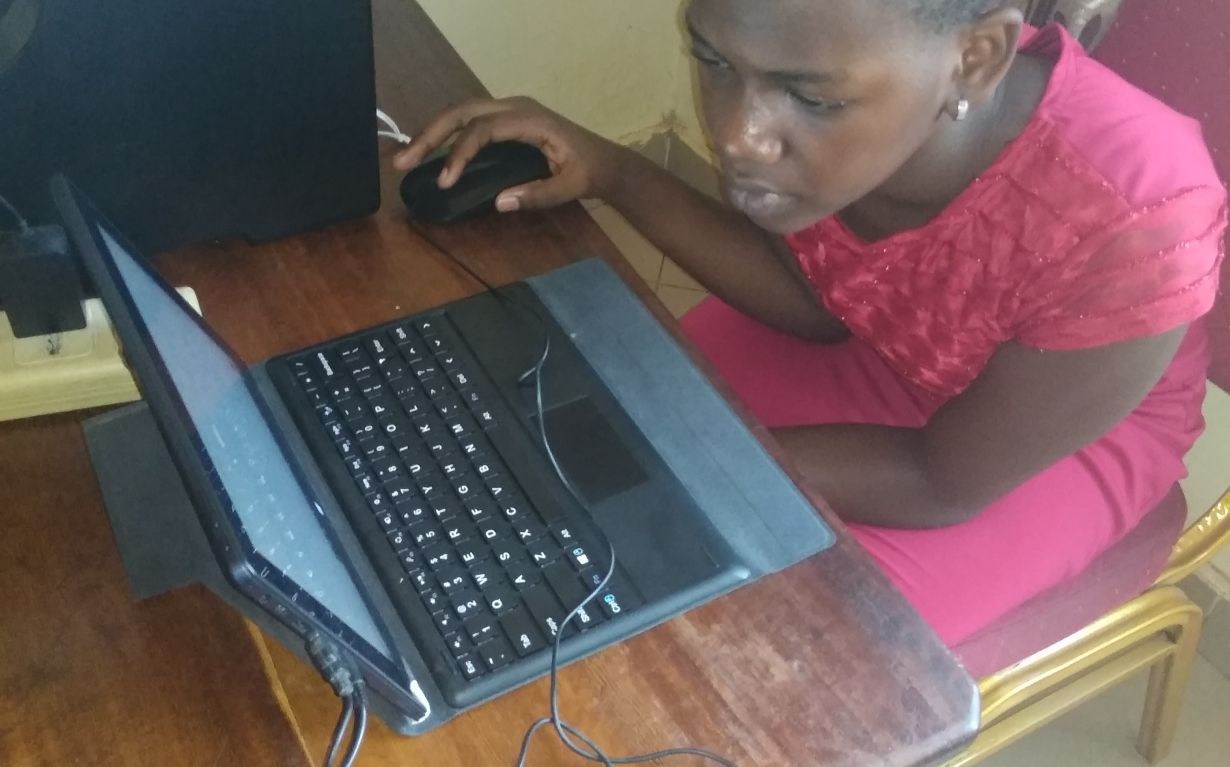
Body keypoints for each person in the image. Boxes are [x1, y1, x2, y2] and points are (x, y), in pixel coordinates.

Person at [395, 0, 1227, 645]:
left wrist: (660, 460)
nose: (737, 138)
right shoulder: (856, 104)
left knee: (749, 640)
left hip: (1045, 438)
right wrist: (611, 170)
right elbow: (816, 301)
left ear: (974, 60)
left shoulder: (1138, 214)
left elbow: (941, 480)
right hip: (881, 336)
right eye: (714, 60)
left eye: (811, 96)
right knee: (544, 428)